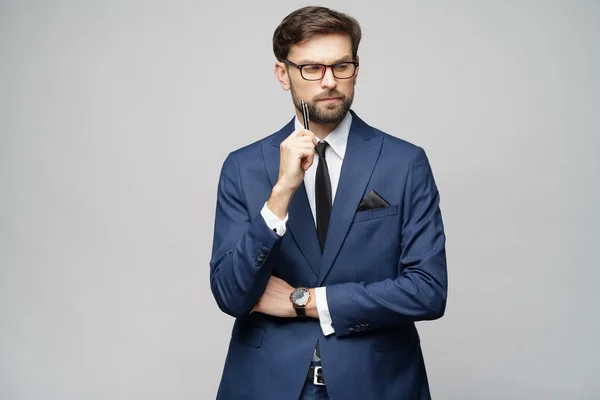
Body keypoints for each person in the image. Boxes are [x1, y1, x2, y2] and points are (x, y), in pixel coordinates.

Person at [209, 6, 447, 399]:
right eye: (312, 69)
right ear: (283, 74)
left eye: (342, 66)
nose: (330, 81)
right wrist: (281, 192)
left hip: (376, 383)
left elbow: (428, 289)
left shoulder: (405, 162)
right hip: (265, 384)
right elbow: (232, 295)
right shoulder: (243, 167)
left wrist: (305, 301)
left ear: (357, 67)